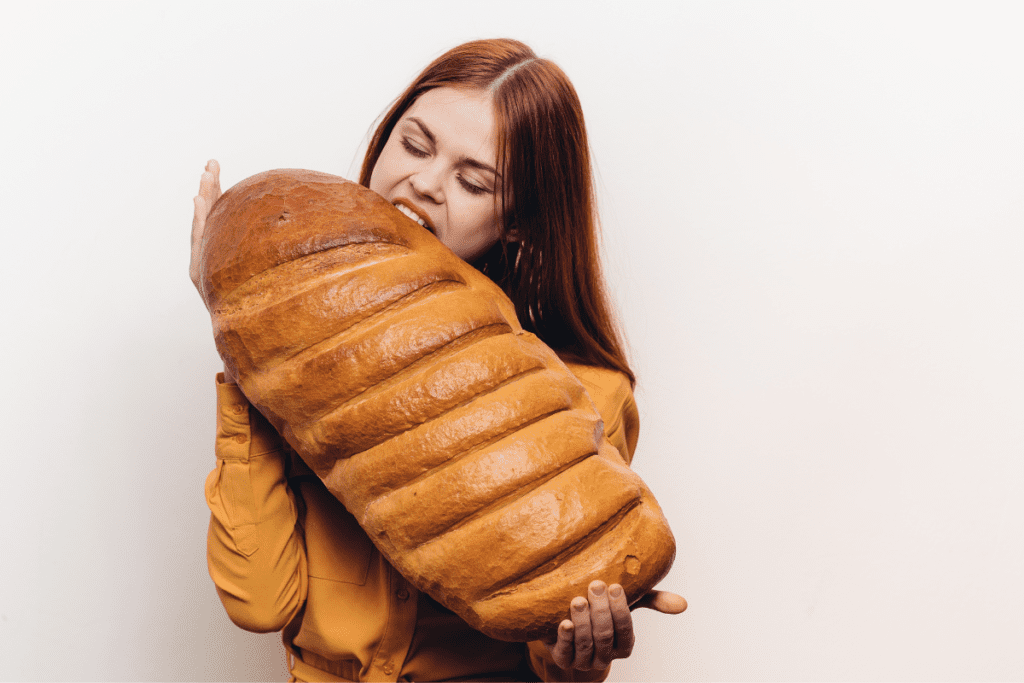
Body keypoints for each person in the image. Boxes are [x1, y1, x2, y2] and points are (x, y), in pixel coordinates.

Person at [190, 38, 685, 682]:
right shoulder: (306, 372)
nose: (423, 183)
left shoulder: (588, 393)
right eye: (415, 145)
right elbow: (259, 602)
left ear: (518, 223)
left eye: (472, 179)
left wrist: (575, 662)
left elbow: (548, 641)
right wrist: (241, 327)